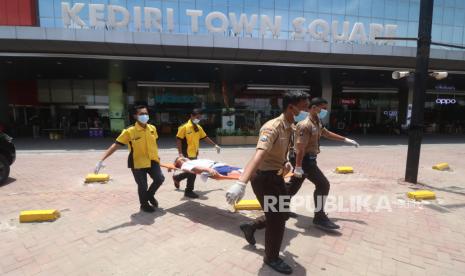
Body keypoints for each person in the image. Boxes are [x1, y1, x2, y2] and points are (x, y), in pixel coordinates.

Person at [225, 90, 310, 275]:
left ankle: (251, 226)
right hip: (264, 179)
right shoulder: (272, 127)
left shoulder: (291, 126)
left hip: (276, 177)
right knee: (277, 219)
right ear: (291, 107)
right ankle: (271, 257)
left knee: (282, 214)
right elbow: (259, 155)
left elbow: (280, 150)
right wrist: (241, 183)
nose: (306, 110)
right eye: (304, 107)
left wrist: (286, 161)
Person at [287, 97, 359, 230]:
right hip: (303, 159)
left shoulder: (317, 121)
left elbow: (326, 133)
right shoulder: (305, 124)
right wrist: (297, 167)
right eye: (323, 108)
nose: (325, 111)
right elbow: (300, 148)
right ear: (314, 108)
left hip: (307, 159)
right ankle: (319, 218)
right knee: (323, 184)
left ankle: (278, 208)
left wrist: (345, 139)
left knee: (294, 185)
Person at [94, 105, 164, 213]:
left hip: (152, 160)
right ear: (135, 116)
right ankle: (144, 205)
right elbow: (116, 145)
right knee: (142, 185)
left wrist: (157, 156)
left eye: (146, 113)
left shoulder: (152, 128)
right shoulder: (129, 131)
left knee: (160, 178)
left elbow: (154, 143)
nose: (145, 116)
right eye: (141, 114)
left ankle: (150, 195)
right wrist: (101, 159)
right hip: (137, 163)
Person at [174, 108, 221, 198]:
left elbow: (205, 137)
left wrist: (215, 145)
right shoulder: (184, 127)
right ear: (191, 116)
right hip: (186, 154)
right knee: (193, 173)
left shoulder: (198, 128)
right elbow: (178, 140)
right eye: (197, 117)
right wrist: (180, 154)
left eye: (199, 118)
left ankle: (177, 178)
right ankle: (188, 191)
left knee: (191, 171)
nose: (198, 119)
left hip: (194, 154)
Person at [173, 157, 242, 178]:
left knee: (241, 170)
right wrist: (208, 169)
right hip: (214, 168)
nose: (185, 157)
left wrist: (225, 164)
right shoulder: (185, 164)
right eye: (182, 158)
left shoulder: (193, 161)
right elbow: (195, 169)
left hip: (219, 165)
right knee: (239, 174)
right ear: (179, 161)